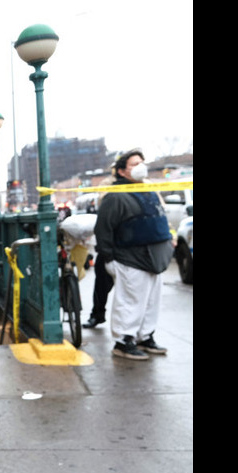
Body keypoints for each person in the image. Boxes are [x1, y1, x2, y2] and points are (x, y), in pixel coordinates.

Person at [93, 149, 173, 360]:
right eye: (134, 164)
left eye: (141, 162)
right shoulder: (115, 196)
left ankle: (145, 336)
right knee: (131, 301)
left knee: (151, 301)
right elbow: (103, 230)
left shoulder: (148, 190)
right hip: (130, 258)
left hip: (154, 258)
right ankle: (123, 340)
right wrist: (109, 258)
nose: (141, 167)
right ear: (121, 171)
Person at [83, 174, 115, 329]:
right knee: (102, 285)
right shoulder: (108, 185)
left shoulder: (145, 185)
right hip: (111, 248)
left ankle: (139, 333)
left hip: (134, 249)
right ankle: (97, 315)